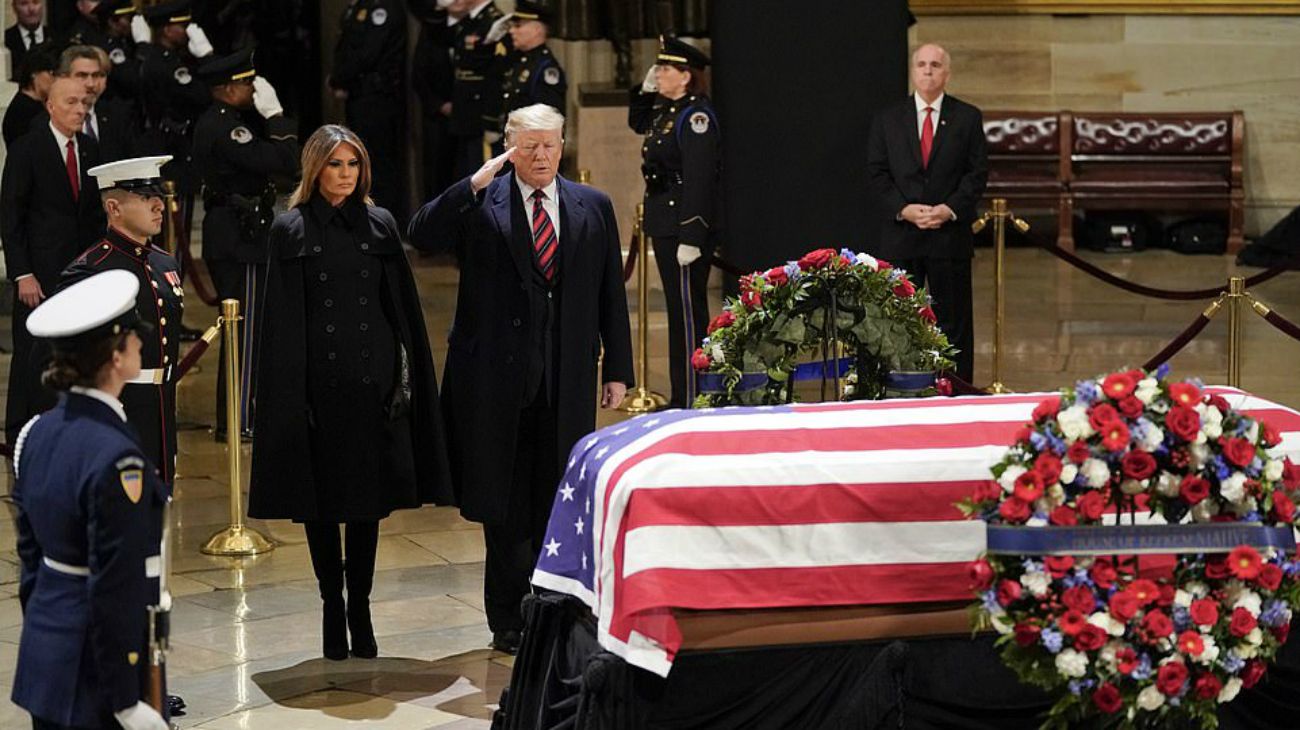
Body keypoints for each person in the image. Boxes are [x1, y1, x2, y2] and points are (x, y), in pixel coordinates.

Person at [408, 104, 634, 654]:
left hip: (565, 376)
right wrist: (472, 183)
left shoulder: (593, 205)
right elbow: (422, 233)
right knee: (503, 503)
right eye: (528, 146)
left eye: (550, 145)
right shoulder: (484, 199)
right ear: (508, 147)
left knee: (558, 496)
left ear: (563, 146)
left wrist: (620, 372)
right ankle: (508, 618)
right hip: (495, 380)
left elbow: (609, 293)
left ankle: (557, 606)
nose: (540, 156)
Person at [248, 125, 453, 661]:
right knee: (321, 505)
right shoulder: (290, 229)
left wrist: (400, 382)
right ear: (315, 168)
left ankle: (359, 606)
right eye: (335, 164)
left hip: (373, 387)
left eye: (353, 165)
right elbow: (284, 326)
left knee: (368, 505)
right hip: (319, 390)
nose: (345, 174)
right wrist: (294, 398)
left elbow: (400, 312)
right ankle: (330, 606)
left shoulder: (379, 223)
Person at [10, 270, 169, 730]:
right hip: (96, 674)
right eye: (134, 340)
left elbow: (31, 560)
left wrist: (48, 631)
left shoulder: (33, 434)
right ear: (116, 357)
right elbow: (114, 584)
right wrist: (125, 699)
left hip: (49, 656)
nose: (142, 346)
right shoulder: (117, 458)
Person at [192, 47, 299, 439]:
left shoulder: (227, 120)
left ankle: (241, 415)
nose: (253, 88)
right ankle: (239, 420)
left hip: (239, 234)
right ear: (226, 89)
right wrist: (276, 117)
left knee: (249, 331)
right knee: (244, 332)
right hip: (239, 239)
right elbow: (284, 160)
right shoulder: (226, 127)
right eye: (246, 83)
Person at [866, 43, 988, 382]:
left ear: (947, 73)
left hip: (948, 236)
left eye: (935, 65)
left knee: (954, 321)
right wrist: (903, 209)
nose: (928, 70)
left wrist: (949, 209)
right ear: (913, 71)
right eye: (921, 64)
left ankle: (958, 388)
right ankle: (904, 386)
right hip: (902, 236)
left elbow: (976, 174)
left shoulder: (967, 117)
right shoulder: (888, 119)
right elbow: (877, 173)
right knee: (902, 319)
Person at [62, 155, 183, 485]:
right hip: (118, 411)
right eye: (146, 198)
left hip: (162, 409)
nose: (159, 205)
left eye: (159, 196)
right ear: (114, 208)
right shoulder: (91, 270)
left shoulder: (165, 263)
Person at [1, 75, 106, 447]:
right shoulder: (27, 149)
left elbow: (94, 216)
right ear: (50, 106)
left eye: (84, 104)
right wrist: (21, 273)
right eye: (71, 103)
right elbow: (11, 217)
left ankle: (69, 425)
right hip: (39, 273)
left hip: (80, 272)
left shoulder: (91, 150)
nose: (80, 110)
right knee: (32, 355)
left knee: (76, 351)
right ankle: (21, 432)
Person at [628, 35, 721, 409]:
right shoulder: (669, 110)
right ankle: (685, 391)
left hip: (683, 223)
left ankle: (692, 395)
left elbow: (700, 179)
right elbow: (638, 122)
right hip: (665, 220)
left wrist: (693, 233)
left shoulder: (696, 116)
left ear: (685, 76)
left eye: (665, 69)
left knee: (686, 313)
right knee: (677, 307)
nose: (659, 74)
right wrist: (644, 89)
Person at [136, 0, 214, 250]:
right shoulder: (169, 64)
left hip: (167, 149)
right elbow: (202, 96)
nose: (186, 30)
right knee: (173, 230)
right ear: (167, 30)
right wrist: (207, 57)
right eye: (182, 25)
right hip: (174, 151)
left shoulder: (161, 58)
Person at [328, 0, 408, 224]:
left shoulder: (382, 8)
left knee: (378, 161)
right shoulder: (358, 7)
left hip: (377, 98)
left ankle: (384, 221)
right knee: (361, 158)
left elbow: (368, 53)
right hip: (359, 94)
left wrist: (339, 78)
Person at [29, 45, 137, 162]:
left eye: (96, 75)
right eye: (82, 75)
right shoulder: (44, 123)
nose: (91, 84)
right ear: (63, 78)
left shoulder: (118, 115)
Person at [448, 0, 508, 179]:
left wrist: (491, 119)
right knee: (467, 172)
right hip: (465, 108)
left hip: (480, 109)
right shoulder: (469, 20)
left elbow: (496, 73)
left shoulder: (493, 21)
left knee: (482, 174)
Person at [410, 0, 458, 200]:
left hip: (465, 116)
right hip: (437, 117)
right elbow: (418, 76)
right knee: (436, 174)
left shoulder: (470, 27)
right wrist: (439, 105)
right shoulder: (431, 28)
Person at [498, 1, 566, 126]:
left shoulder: (546, 68)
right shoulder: (521, 60)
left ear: (537, 30)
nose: (512, 30)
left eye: (518, 26)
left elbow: (547, 118)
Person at [2, 41, 57, 147]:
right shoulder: (22, 112)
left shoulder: (40, 104)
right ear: (34, 73)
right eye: (52, 73)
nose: (56, 80)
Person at [4, 0, 46, 82]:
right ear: (14, 8)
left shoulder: (57, 37)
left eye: (35, 2)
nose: (31, 9)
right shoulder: (5, 41)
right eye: (24, 3)